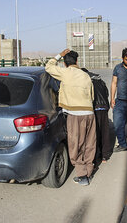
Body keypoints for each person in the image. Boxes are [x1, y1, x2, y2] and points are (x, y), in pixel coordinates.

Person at [45, 49, 96, 186]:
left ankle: (81, 175)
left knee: (75, 144)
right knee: (89, 143)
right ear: (77, 61)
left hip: (75, 115)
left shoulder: (64, 72)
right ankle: (88, 171)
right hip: (89, 114)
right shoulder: (85, 76)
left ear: (65, 63)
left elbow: (48, 66)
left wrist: (58, 55)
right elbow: (92, 96)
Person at [81, 68, 113, 163]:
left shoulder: (86, 81)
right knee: (104, 131)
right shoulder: (100, 80)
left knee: (94, 133)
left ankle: (94, 157)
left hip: (94, 108)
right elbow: (106, 93)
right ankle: (105, 156)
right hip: (104, 107)